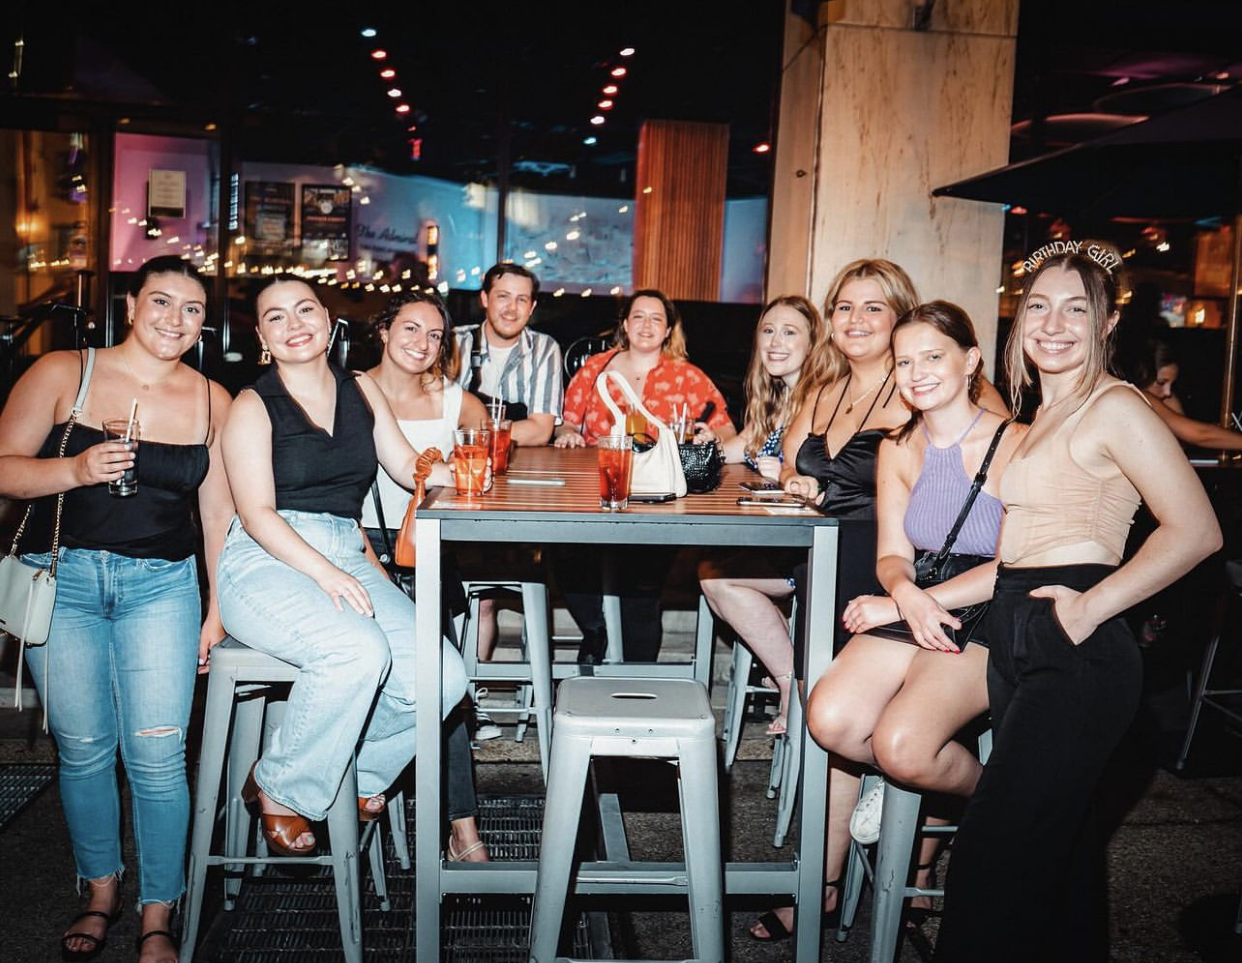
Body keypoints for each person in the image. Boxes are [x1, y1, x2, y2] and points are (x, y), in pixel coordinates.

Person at [933, 245, 1221, 963]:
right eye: (1038, 306)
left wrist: (1093, 609)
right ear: (1019, 319)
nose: (1053, 323)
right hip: (1017, 630)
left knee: (990, 859)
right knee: (1059, 865)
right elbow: (1017, 552)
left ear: (1105, 322)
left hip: (1076, 648)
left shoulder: (1116, 405)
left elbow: (1197, 530)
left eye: (1075, 309)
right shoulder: (1043, 413)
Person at [741, 259, 1007, 941]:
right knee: (829, 721)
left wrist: (906, 589)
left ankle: (910, 851)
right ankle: (823, 882)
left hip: (915, 576)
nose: (855, 321)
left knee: (893, 735)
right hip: (850, 565)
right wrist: (799, 487)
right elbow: (795, 461)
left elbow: (1000, 515)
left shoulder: (942, 394)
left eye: (874, 309)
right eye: (844, 308)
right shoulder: (827, 386)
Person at [0, 255, 234, 963]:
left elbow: (218, 513)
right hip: (61, 578)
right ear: (132, 305)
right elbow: (4, 464)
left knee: (160, 756)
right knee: (83, 747)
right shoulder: (63, 371)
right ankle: (100, 889)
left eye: (191, 309)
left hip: (161, 586)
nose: (175, 320)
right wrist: (76, 469)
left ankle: (158, 907)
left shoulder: (211, 400)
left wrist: (216, 607)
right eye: (161, 302)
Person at [217, 278, 469, 863]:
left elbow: (408, 466)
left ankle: (356, 774)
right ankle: (283, 787)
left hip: (344, 550)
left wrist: (477, 473)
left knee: (445, 678)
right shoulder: (252, 404)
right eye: (276, 317)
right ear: (262, 337)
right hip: (266, 559)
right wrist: (327, 574)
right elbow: (254, 514)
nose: (295, 323)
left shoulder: (361, 389)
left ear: (329, 321)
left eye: (305, 309)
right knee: (357, 652)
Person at [803, 301, 1023, 935]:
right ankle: (909, 788)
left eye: (934, 356)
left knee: (903, 745)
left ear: (970, 360)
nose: (918, 371)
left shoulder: (1017, 441)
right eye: (906, 361)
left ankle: (1004, 798)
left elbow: (1016, 563)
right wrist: (906, 595)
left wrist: (922, 601)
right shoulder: (900, 447)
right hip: (919, 598)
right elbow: (894, 554)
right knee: (832, 719)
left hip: (986, 609)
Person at [359, 288, 491, 861]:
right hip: (353, 549)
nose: (422, 343)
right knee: (406, 672)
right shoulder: (348, 394)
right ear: (385, 332)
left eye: (435, 335)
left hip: (428, 549)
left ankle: (462, 828)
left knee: (442, 676)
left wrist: (475, 483)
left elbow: (490, 471)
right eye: (410, 329)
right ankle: (365, 779)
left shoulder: (456, 402)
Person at [553, 289, 735, 663]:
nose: (647, 325)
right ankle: (595, 632)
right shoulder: (595, 370)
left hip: (658, 497)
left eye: (656, 318)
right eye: (638, 316)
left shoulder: (688, 377)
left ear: (668, 329)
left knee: (642, 582)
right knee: (563, 551)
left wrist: (708, 435)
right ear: (624, 324)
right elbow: (566, 424)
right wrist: (567, 434)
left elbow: (727, 432)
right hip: (595, 489)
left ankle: (640, 673)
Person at [696, 294, 830, 732]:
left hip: (818, 547)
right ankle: (792, 677)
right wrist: (701, 442)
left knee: (717, 579)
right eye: (768, 331)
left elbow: (830, 477)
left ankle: (795, 686)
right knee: (711, 571)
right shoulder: (779, 401)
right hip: (784, 536)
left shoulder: (821, 400)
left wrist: (787, 475)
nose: (775, 341)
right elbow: (734, 449)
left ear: (813, 344)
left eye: (790, 332)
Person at [452, 262, 562, 666]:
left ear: (531, 308)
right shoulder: (451, 343)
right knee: (461, 591)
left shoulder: (545, 348)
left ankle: (466, 699)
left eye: (521, 300)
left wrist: (474, 431)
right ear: (484, 299)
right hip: (457, 484)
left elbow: (540, 430)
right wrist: (505, 428)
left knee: (481, 597)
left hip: (518, 487)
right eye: (502, 296)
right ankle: (451, 702)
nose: (511, 308)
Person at [1126, 339, 1242, 450]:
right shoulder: (1135, 394)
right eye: (1161, 383)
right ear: (1141, 376)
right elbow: (1200, 435)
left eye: (1172, 384)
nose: (1167, 392)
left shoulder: (1164, 398)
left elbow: (1183, 439)